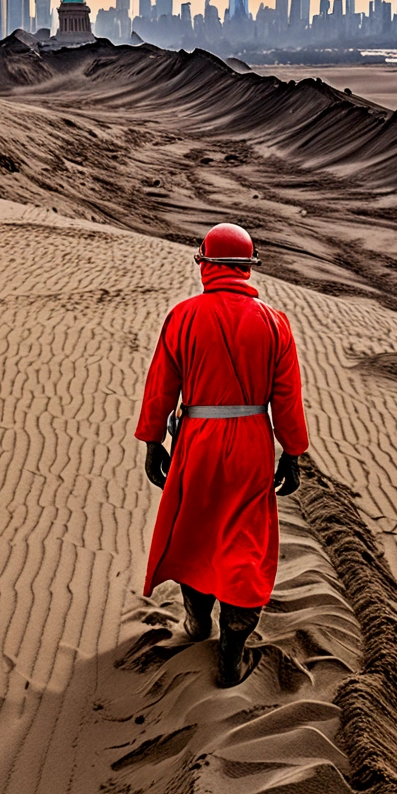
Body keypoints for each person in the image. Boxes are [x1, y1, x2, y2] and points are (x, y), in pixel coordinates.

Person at [135, 222, 309, 686]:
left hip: (198, 440)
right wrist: (292, 452)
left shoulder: (184, 315)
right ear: (247, 269)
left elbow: (161, 386)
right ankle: (232, 648)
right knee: (245, 544)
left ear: (207, 264)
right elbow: (287, 398)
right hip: (252, 441)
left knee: (197, 533)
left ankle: (197, 622)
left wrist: (153, 441)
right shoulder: (275, 322)